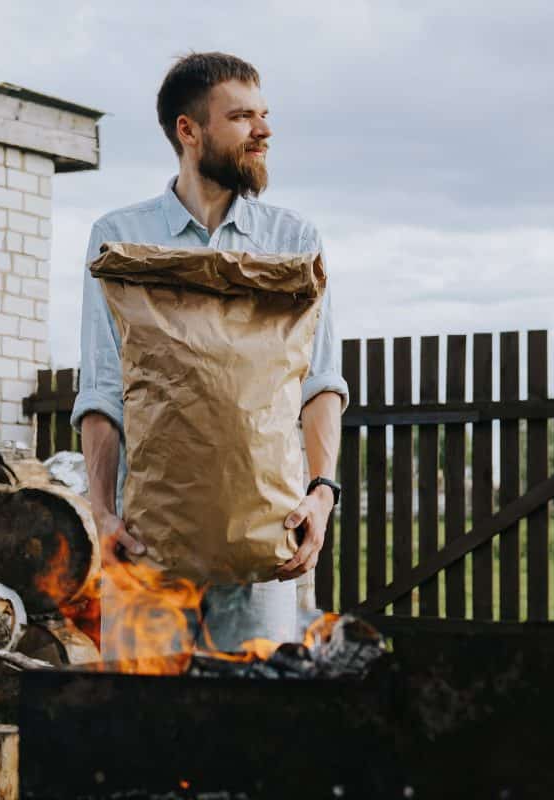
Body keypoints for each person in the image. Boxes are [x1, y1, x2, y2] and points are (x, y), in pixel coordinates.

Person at [72, 51, 348, 655]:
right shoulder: (119, 239)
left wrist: (321, 495)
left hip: (263, 554)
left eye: (265, 115)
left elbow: (320, 382)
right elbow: (102, 386)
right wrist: (101, 512)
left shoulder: (293, 241)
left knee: (254, 725)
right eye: (243, 117)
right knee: (142, 727)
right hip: (148, 549)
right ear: (189, 130)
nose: (264, 131)